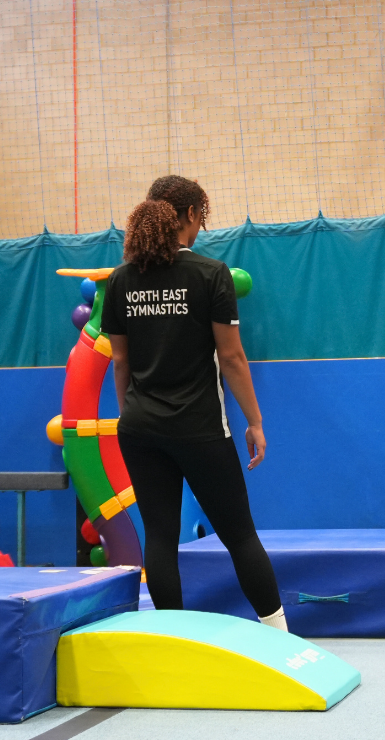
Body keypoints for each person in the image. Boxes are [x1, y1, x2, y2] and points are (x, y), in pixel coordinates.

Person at [101, 175, 287, 631]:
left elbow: (120, 362)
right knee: (239, 534)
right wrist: (255, 421)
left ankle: (171, 638)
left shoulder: (122, 280)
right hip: (199, 427)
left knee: (160, 537)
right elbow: (232, 357)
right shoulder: (210, 274)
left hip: (140, 429)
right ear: (188, 215)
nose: (201, 227)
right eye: (201, 217)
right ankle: (279, 633)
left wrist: (132, 416)